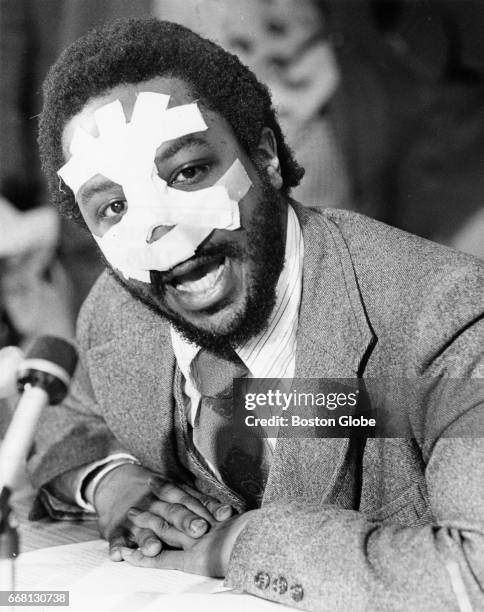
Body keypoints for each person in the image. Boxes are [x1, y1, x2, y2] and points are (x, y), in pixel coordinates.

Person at [28, 18, 484, 611]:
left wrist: (237, 546)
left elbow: (473, 573)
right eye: (114, 206)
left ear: (264, 156)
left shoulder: (442, 317)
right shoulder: (119, 312)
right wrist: (110, 482)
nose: (160, 227)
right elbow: (51, 416)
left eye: (188, 172)